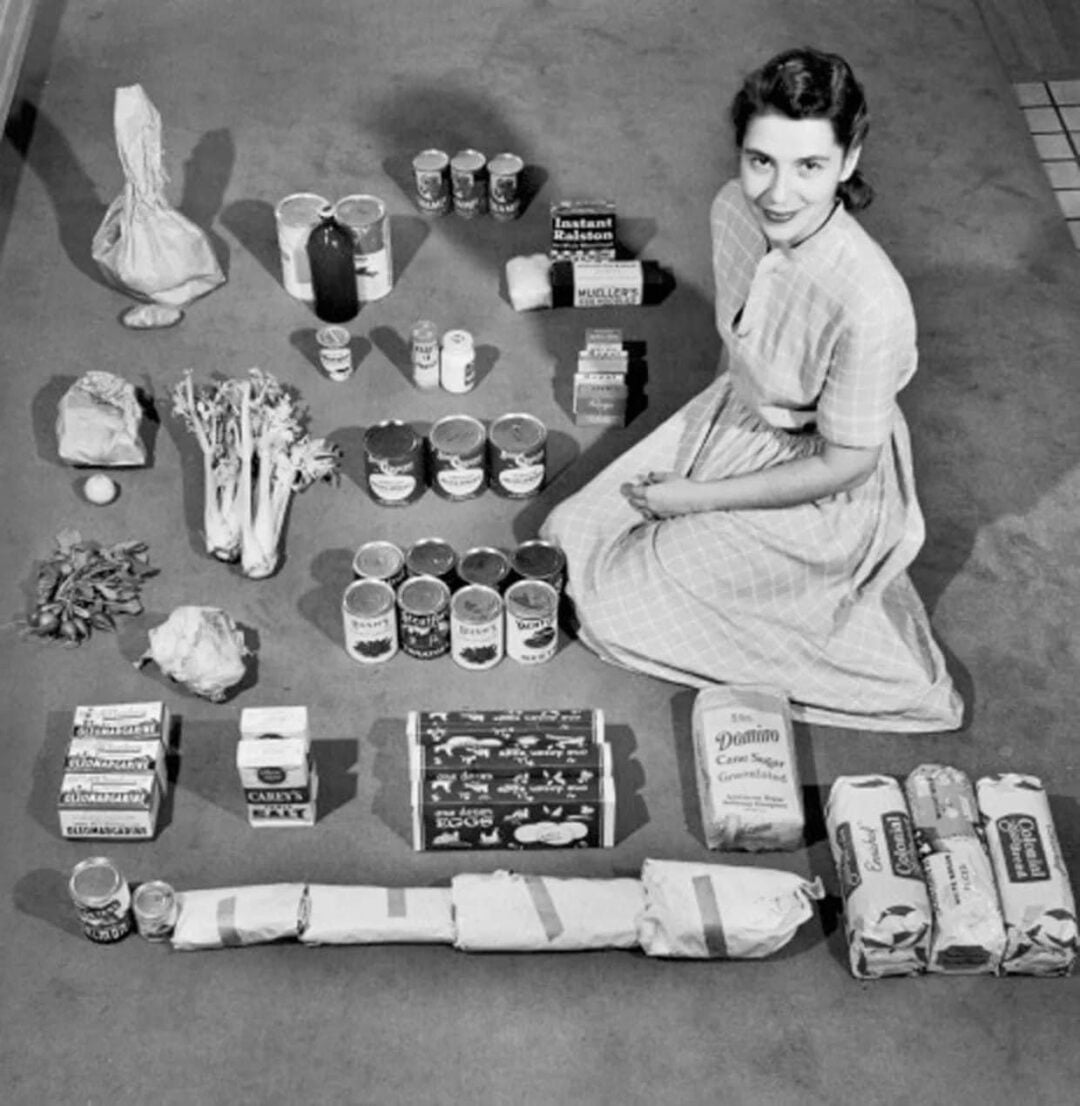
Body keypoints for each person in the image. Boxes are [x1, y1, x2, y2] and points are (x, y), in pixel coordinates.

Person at [540, 46, 964, 732]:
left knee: (615, 603)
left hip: (829, 485)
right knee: (568, 539)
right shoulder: (732, 207)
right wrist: (703, 450)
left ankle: (843, 624)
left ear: (849, 161)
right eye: (761, 160)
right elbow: (742, 346)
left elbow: (845, 463)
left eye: (810, 167)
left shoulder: (872, 302)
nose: (778, 193)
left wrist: (697, 499)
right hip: (740, 417)